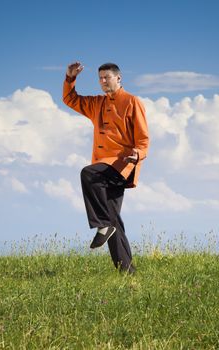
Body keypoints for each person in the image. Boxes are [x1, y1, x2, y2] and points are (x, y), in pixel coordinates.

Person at [63, 61, 149, 274]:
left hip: (121, 164)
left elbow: (143, 138)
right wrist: (70, 78)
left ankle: (101, 224)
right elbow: (70, 99)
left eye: (106, 78)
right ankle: (127, 271)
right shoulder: (96, 104)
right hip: (103, 166)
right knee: (113, 221)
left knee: (87, 173)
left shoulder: (132, 102)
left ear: (118, 78)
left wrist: (138, 154)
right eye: (100, 78)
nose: (102, 82)